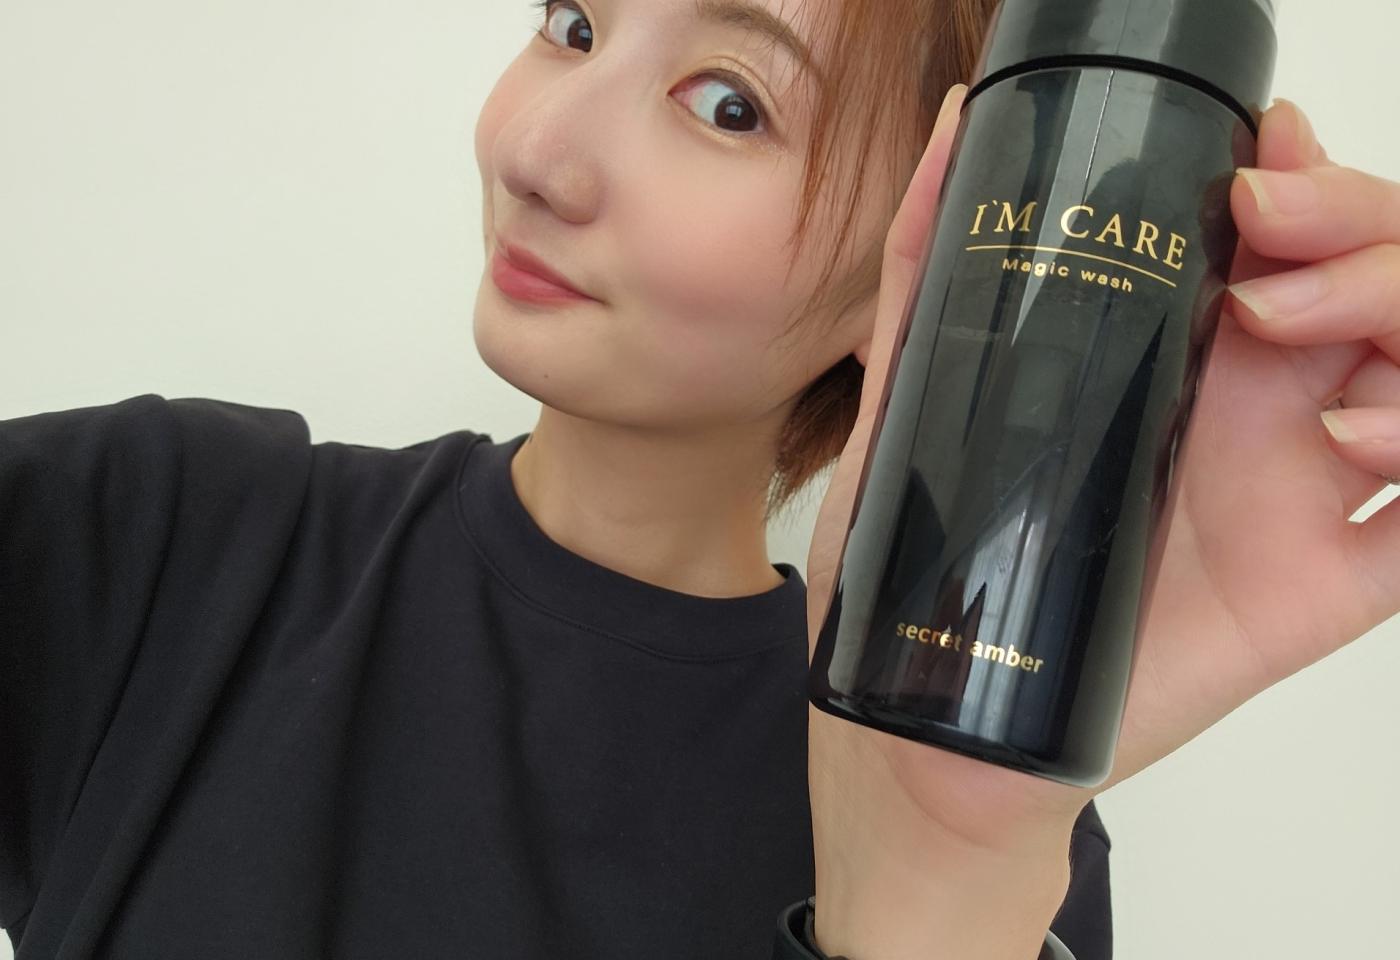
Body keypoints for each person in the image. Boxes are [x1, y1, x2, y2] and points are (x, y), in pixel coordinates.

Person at [2, 0, 1397, 958]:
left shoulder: (995, 823)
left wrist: (932, 883)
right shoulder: (157, 533)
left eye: (729, 104)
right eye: (572, 24)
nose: (537, 154)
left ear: (937, 258)